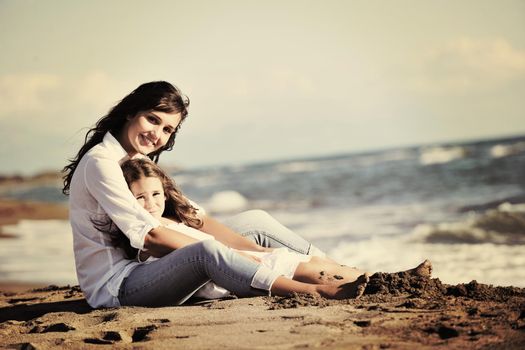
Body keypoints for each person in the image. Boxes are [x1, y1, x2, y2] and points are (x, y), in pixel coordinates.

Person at [62, 81, 371, 308]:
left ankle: (346, 274)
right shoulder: (101, 164)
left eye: (168, 129)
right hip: (120, 285)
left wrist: (258, 252)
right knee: (208, 252)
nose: (157, 134)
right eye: (153, 119)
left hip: (151, 265)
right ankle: (311, 291)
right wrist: (238, 257)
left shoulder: (138, 161)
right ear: (131, 112)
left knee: (255, 221)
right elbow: (151, 237)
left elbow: (195, 219)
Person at [100, 157, 374, 301]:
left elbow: (208, 230)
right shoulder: (143, 231)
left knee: (310, 262)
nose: (150, 204)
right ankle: (324, 291)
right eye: (140, 198)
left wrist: (259, 250)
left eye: (156, 195)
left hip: (234, 259)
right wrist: (249, 257)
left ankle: (382, 278)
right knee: (309, 272)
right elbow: (198, 253)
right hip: (225, 272)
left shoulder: (171, 216)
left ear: (165, 192)